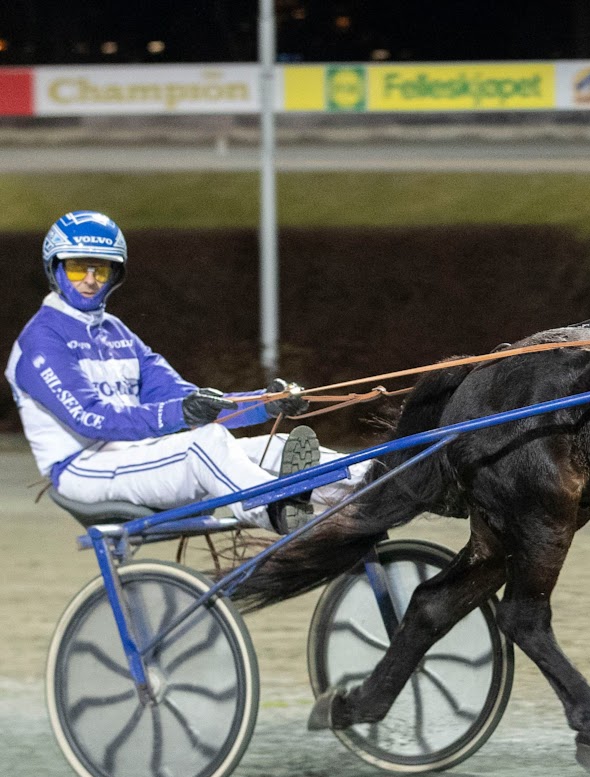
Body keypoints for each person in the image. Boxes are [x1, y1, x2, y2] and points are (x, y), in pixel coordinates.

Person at [5, 210, 365, 534]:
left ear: (114, 275)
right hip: (84, 469)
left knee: (273, 447)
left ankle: (372, 483)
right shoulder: (41, 340)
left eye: (101, 269)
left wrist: (264, 404)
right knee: (206, 444)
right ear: (54, 268)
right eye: (77, 268)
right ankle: (271, 509)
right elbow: (92, 418)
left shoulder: (117, 334)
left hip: (142, 456)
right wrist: (180, 413)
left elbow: (187, 401)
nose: (89, 280)